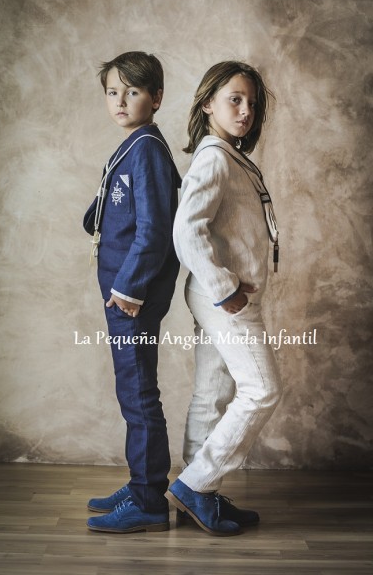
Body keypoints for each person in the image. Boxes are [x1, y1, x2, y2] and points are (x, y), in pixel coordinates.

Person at [166, 61, 283, 536]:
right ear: (208, 104)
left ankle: (199, 496)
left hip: (223, 296)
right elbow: (186, 229)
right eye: (234, 99)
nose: (245, 110)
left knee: (212, 393)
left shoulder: (230, 156)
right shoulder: (214, 158)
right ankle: (196, 484)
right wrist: (224, 287)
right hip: (224, 298)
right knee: (262, 390)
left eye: (251, 103)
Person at [83, 51, 181, 533]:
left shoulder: (148, 150)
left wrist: (128, 287)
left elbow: (155, 231)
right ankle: (142, 482)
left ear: (156, 98)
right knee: (132, 390)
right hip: (122, 293)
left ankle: (148, 501)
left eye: (133, 91)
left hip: (131, 295)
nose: (120, 101)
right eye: (112, 92)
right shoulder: (134, 145)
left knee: (139, 393)